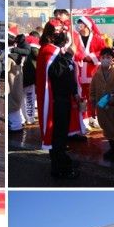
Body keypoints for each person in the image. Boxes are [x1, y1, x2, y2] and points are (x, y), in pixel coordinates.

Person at [36, 22, 81, 179]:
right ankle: (59, 167)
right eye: (60, 31)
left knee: (62, 136)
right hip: (56, 101)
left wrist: (74, 92)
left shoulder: (56, 51)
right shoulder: (48, 50)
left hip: (64, 98)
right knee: (58, 136)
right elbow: (55, 72)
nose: (63, 34)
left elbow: (66, 73)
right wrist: (68, 55)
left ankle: (63, 161)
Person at [90, 48, 114, 162]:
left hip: (113, 106)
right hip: (101, 107)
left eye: (108, 57)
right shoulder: (97, 73)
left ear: (112, 59)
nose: (105, 59)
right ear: (100, 59)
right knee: (106, 128)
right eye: (103, 57)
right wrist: (92, 102)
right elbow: (92, 89)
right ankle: (113, 149)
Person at [73, 16, 107, 129]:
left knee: (95, 95)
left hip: (93, 71)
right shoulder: (75, 38)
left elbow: (103, 52)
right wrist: (82, 56)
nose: (78, 25)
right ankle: (84, 118)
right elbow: (73, 50)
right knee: (82, 96)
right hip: (79, 70)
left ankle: (95, 117)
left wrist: (91, 57)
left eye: (80, 23)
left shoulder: (98, 38)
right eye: (77, 23)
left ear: (87, 25)